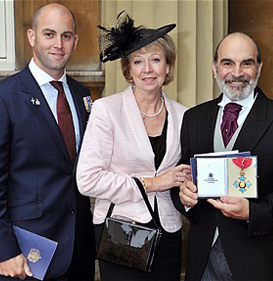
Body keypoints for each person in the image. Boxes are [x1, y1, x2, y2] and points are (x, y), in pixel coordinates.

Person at [171, 32, 273, 281]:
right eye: (227, 63)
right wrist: (183, 196)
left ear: (259, 67)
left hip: (257, 261)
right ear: (215, 67)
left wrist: (253, 212)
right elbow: (182, 175)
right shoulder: (194, 118)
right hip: (201, 259)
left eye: (246, 63)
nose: (236, 73)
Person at [0, 3, 96, 281]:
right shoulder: (1, 99)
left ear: (75, 41)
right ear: (32, 37)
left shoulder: (81, 95)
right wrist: (3, 250)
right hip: (27, 255)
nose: (58, 44)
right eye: (49, 34)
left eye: (66, 36)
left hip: (79, 248)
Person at [76, 12, 190, 281]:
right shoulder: (107, 110)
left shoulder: (185, 115)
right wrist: (152, 184)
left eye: (156, 60)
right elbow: (87, 180)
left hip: (169, 230)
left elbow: (182, 173)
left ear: (168, 67)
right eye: (138, 61)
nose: (147, 69)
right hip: (122, 230)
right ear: (128, 70)